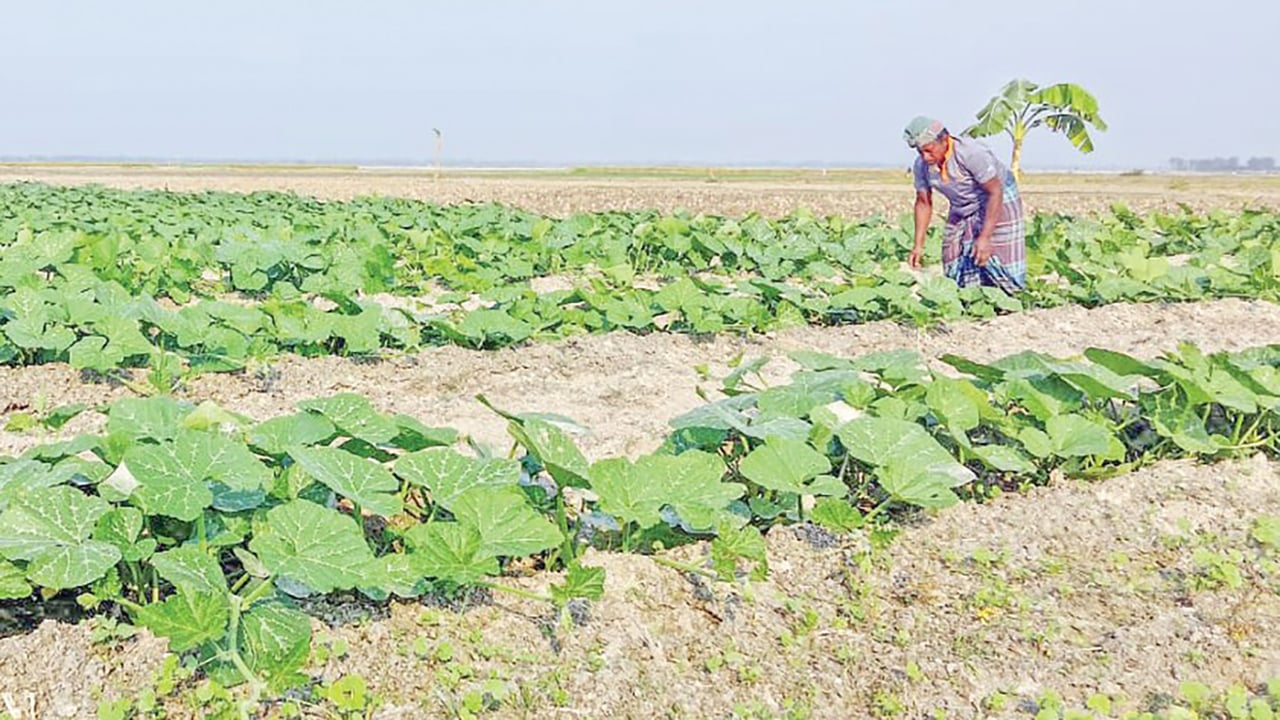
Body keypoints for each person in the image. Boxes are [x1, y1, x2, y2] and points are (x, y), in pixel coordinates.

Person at [903, 116, 1026, 294]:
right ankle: (968, 296)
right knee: (954, 252)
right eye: (920, 152)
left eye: (929, 151)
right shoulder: (922, 165)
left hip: (997, 197)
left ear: (945, 140)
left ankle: (1009, 297)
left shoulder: (971, 154)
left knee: (994, 251)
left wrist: (985, 237)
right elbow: (923, 203)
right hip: (962, 204)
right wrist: (918, 245)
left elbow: (995, 192)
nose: (925, 157)